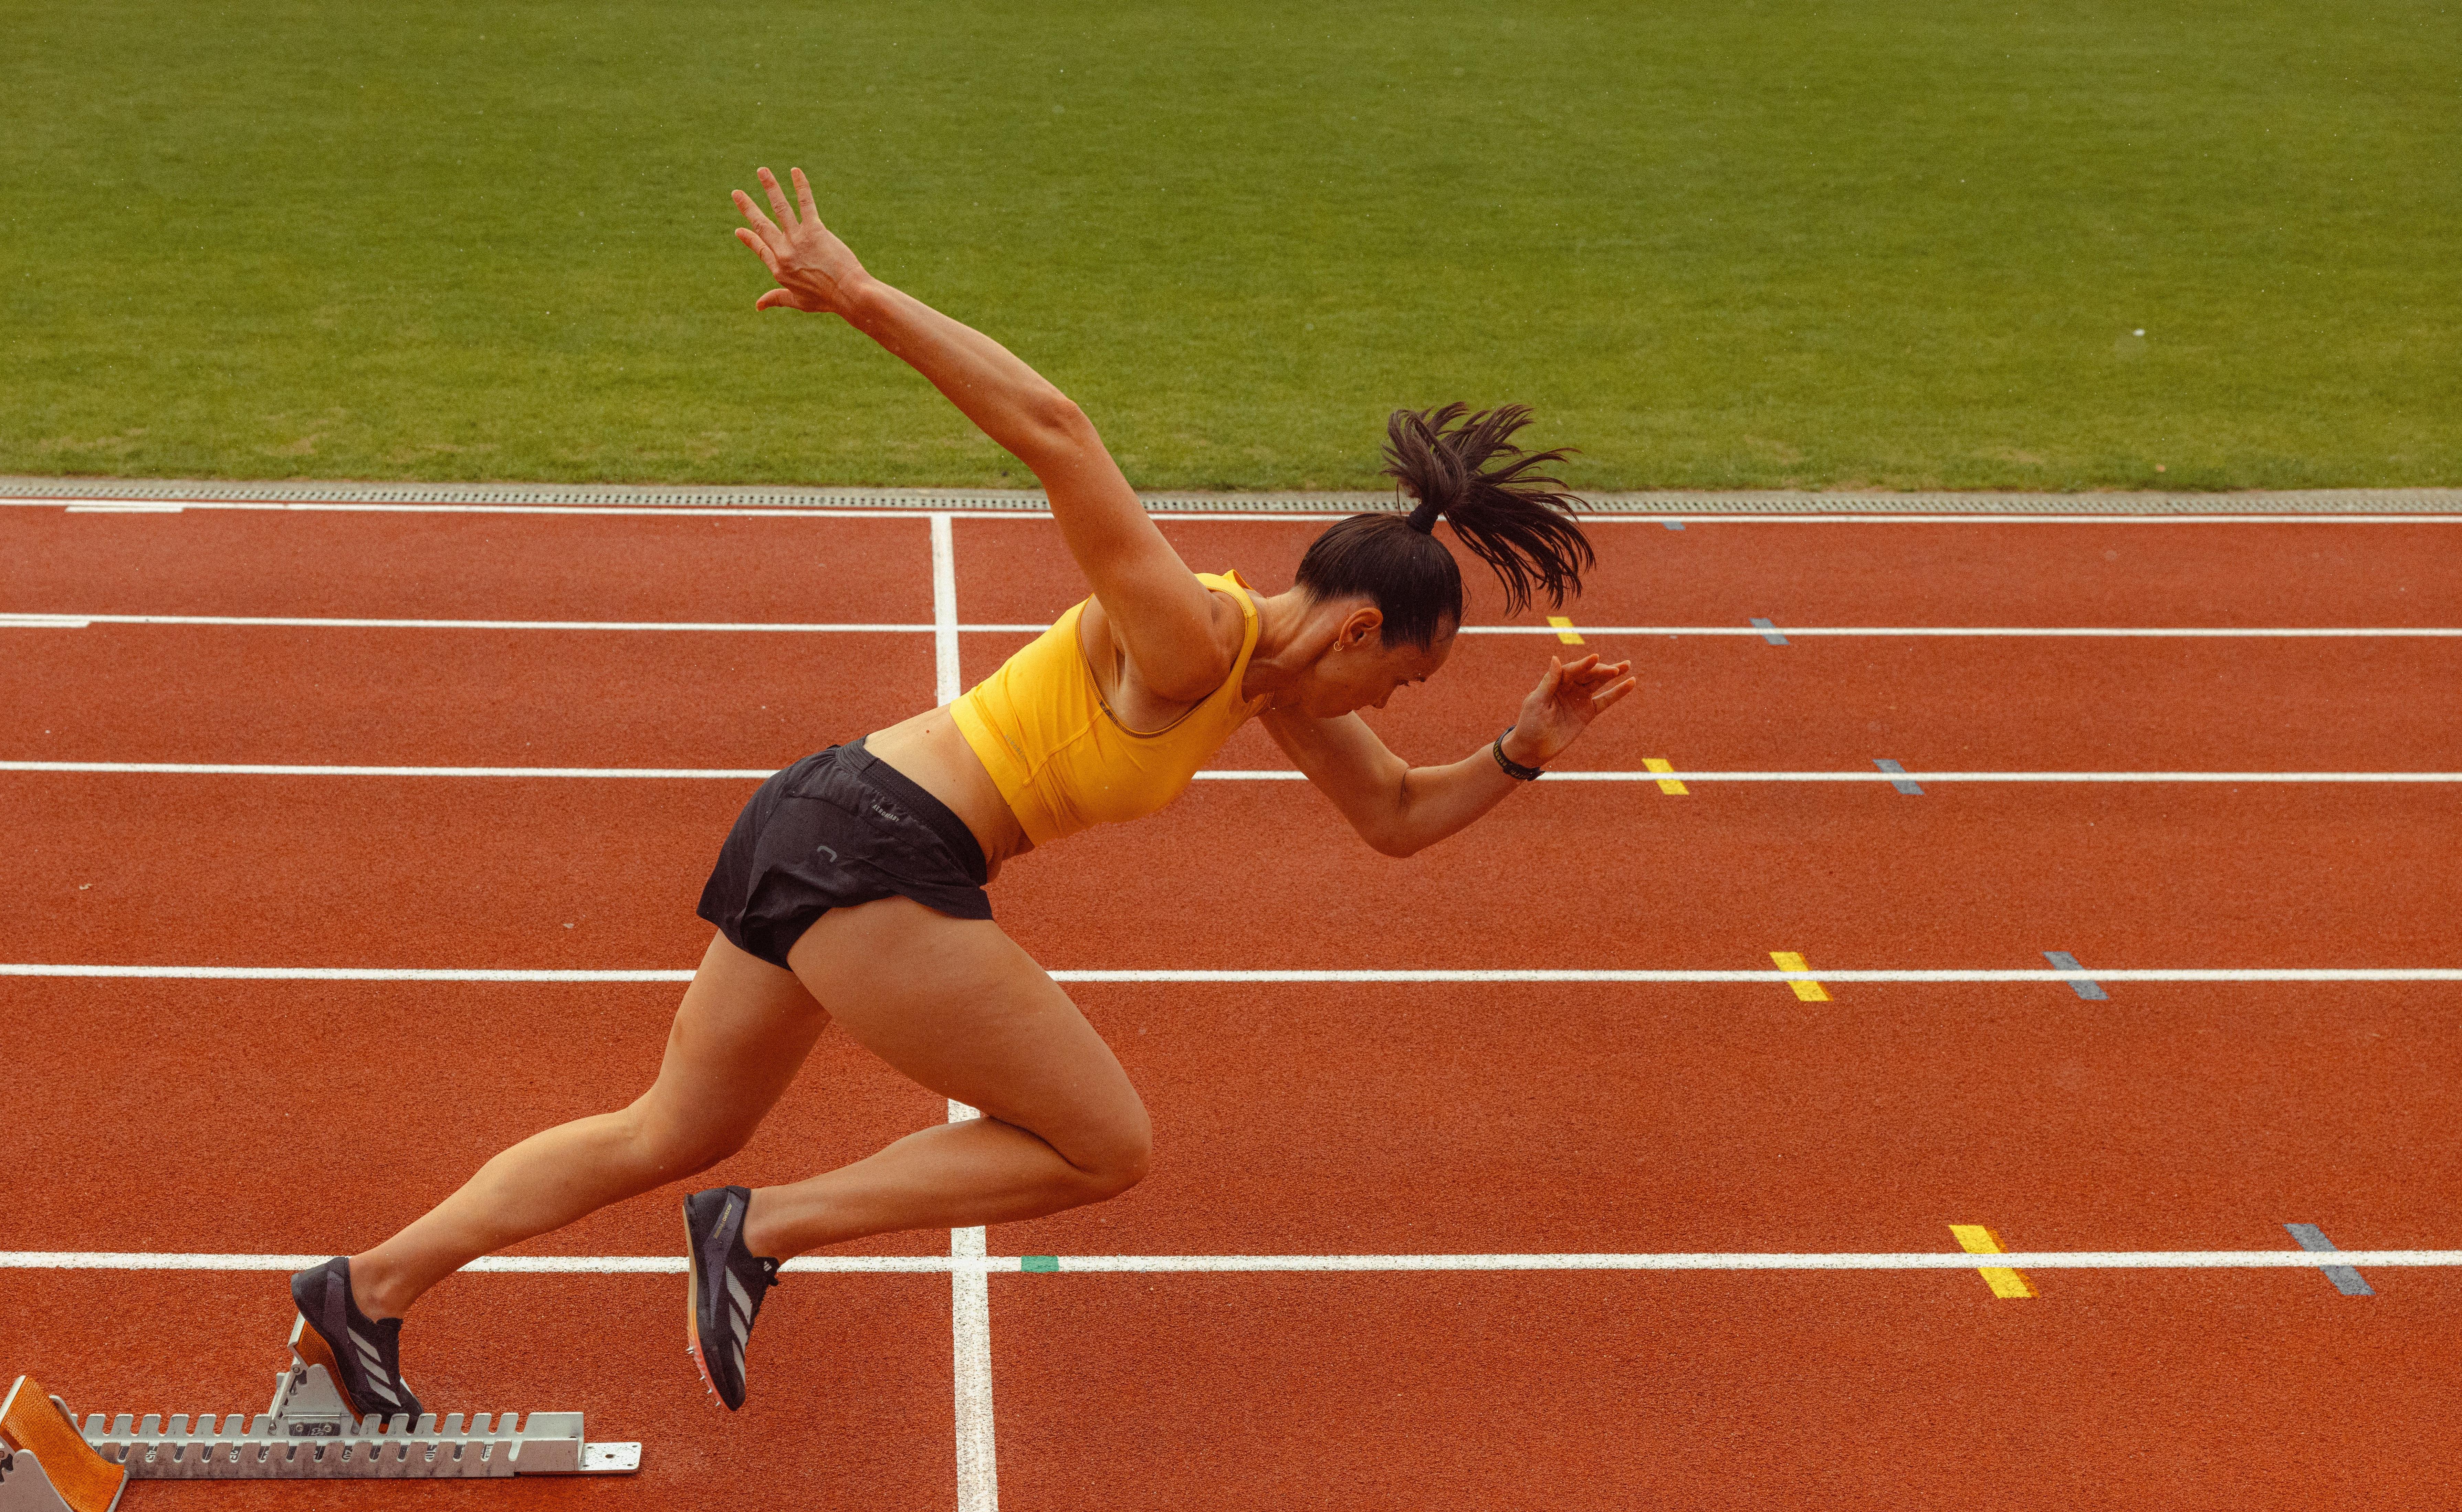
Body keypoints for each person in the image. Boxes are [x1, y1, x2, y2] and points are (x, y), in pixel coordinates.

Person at [285, 166, 1638, 1419]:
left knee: (671, 1125)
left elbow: (1396, 817)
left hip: (820, 810)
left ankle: (367, 1287)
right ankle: (758, 1229)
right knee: (1102, 1141)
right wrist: (859, 295)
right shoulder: (1194, 640)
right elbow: (1056, 431)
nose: (1389, 710)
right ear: (1355, 632)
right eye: (1401, 683)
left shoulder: (1268, 685)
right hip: (875, 844)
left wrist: (1520, 750)